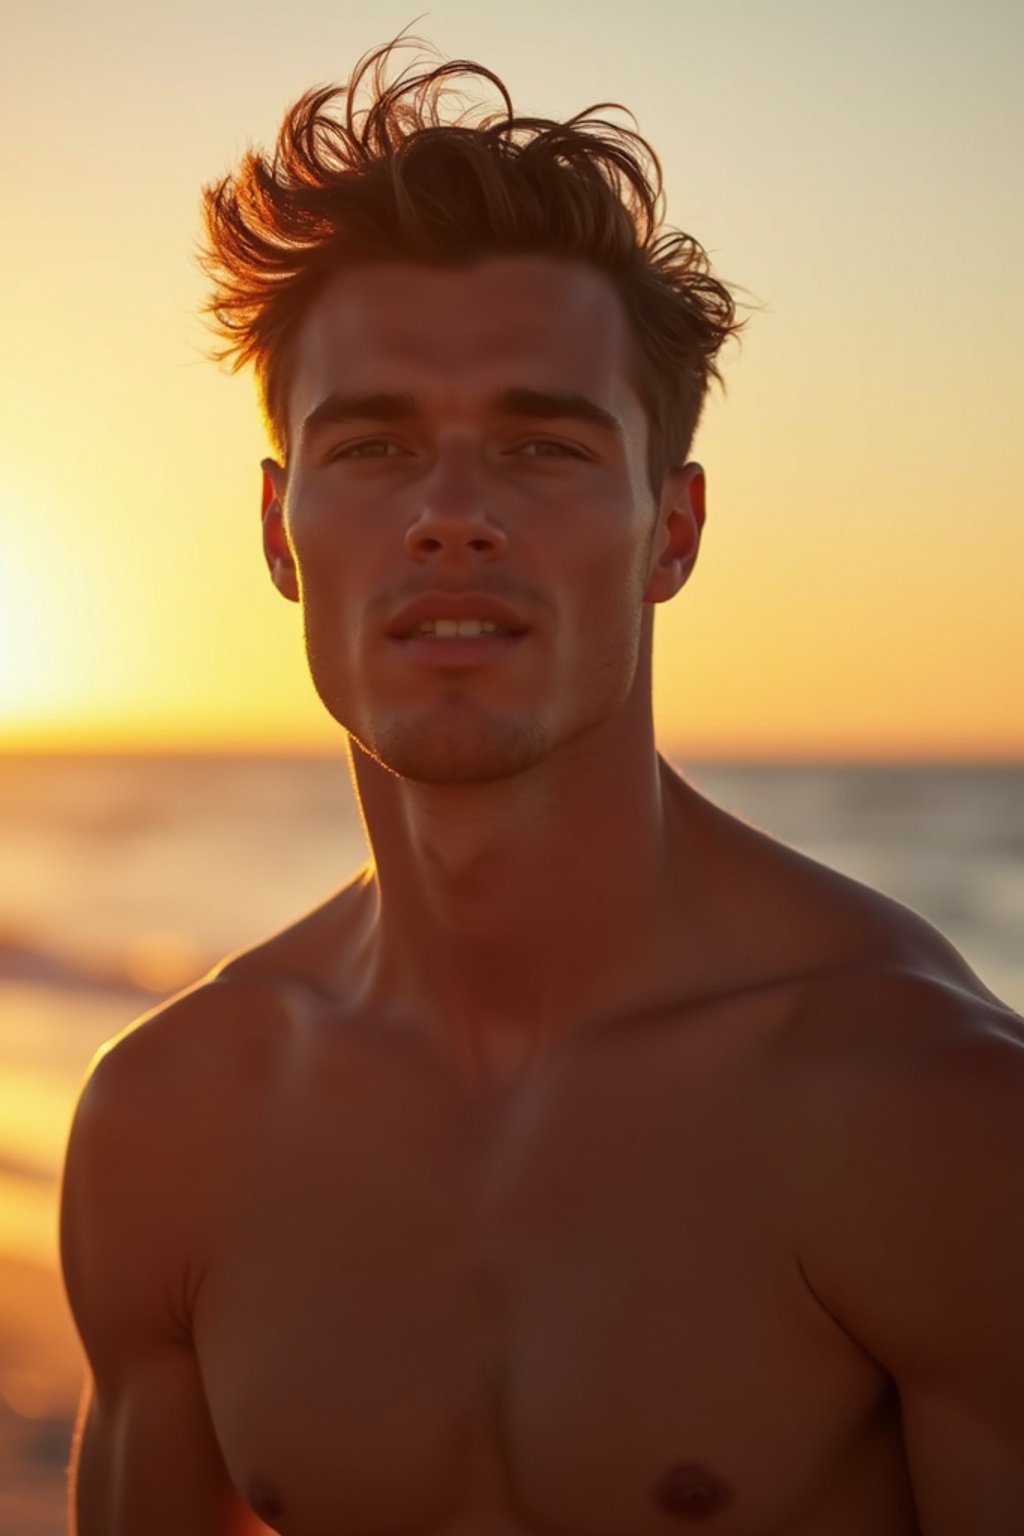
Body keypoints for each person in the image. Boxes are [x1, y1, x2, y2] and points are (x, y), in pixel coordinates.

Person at [59, 35, 1024, 1536]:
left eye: (541, 444)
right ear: (277, 526)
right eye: (374, 445)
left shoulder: (929, 1118)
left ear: (673, 531)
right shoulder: (169, 1126)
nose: (452, 516)